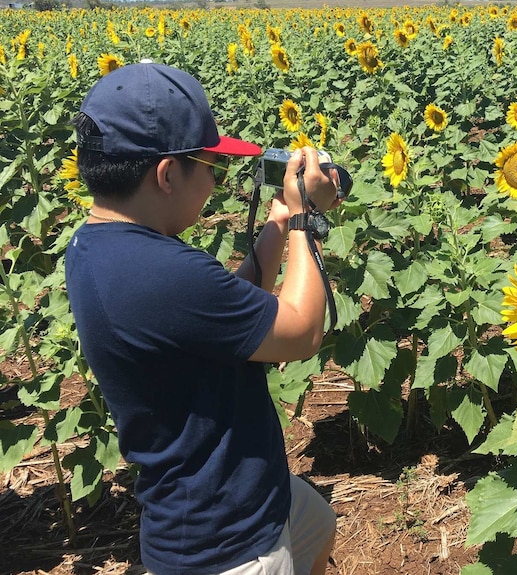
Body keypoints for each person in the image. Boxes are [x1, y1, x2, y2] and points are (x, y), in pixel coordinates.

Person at [65, 62, 338, 575]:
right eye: (211, 165)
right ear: (167, 175)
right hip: (228, 539)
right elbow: (301, 330)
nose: (216, 180)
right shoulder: (164, 273)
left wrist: (277, 227)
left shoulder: (93, 247)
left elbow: (218, 314)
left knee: (317, 524)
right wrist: (305, 219)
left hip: (232, 491)